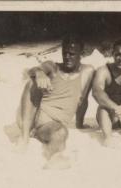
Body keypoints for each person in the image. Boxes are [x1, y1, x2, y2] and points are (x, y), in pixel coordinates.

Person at [16, 34, 94, 168]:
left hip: (52, 125)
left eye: (72, 53)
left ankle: (54, 157)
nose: (67, 57)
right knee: (32, 81)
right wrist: (40, 73)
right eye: (65, 53)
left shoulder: (88, 71)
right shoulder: (53, 67)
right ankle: (24, 138)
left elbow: (82, 99)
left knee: (60, 131)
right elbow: (34, 69)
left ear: (81, 53)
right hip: (33, 117)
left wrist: (79, 123)